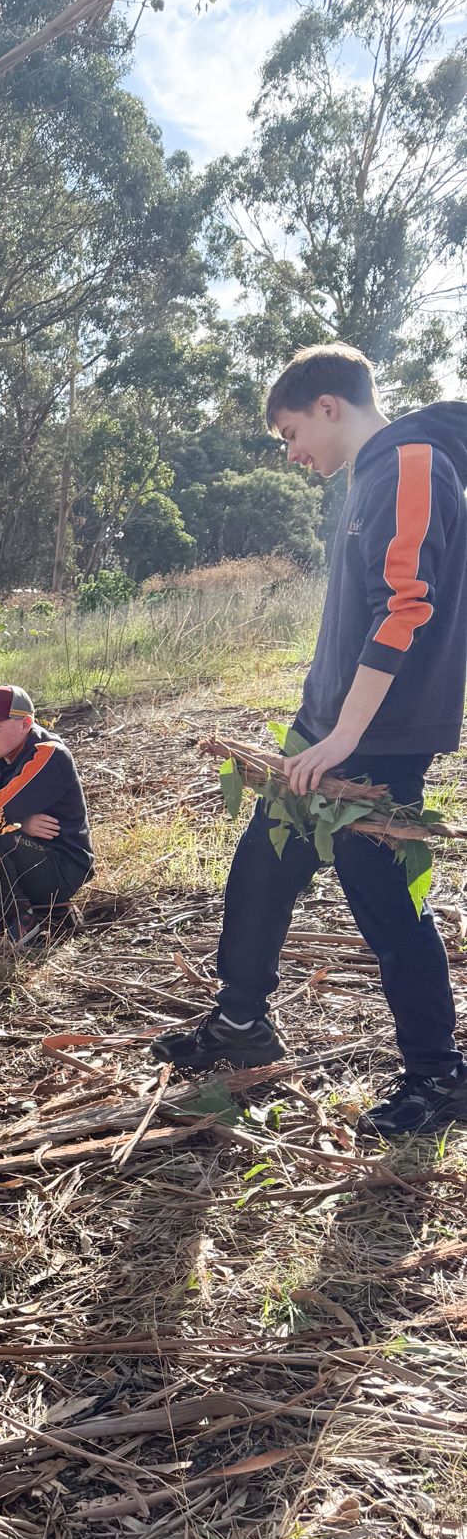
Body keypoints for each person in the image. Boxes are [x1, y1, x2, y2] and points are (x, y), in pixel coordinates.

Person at [153, 343, 467, 1141]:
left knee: (387, 905)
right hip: (329, 732)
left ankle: (436, 1075)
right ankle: (239, 1023)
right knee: (263, 864)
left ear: (330, 406)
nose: (293, 454)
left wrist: (347, 738)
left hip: (375, 742)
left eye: (292, 433)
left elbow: (407, 608)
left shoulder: (413, 461)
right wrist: (318, 725)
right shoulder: (370, 478)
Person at [0, 686, 93, 942]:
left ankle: (22, 922)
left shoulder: (49, 755)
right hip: (21, 854)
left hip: (62, 868)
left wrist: (9, 822)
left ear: (25, 723)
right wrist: (20, 824)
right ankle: (53, 913)